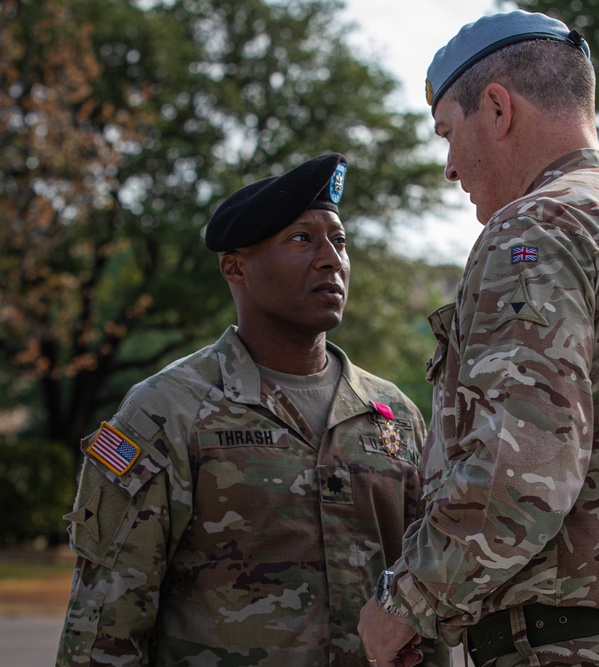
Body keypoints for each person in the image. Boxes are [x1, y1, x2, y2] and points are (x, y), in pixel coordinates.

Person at [358, 10, 599, 667]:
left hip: (576, 645)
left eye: (449, 134)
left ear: (498, 107)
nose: (450, 168)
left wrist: (403, 604)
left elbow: (520, 471)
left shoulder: (534, 229)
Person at [55, 153, 445, 666]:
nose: (331, 259)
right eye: (302, 239)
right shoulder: (168, 411)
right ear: (235, 266)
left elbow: (423, 600)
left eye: (339, 241)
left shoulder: (393, 414)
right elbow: (106, 625)